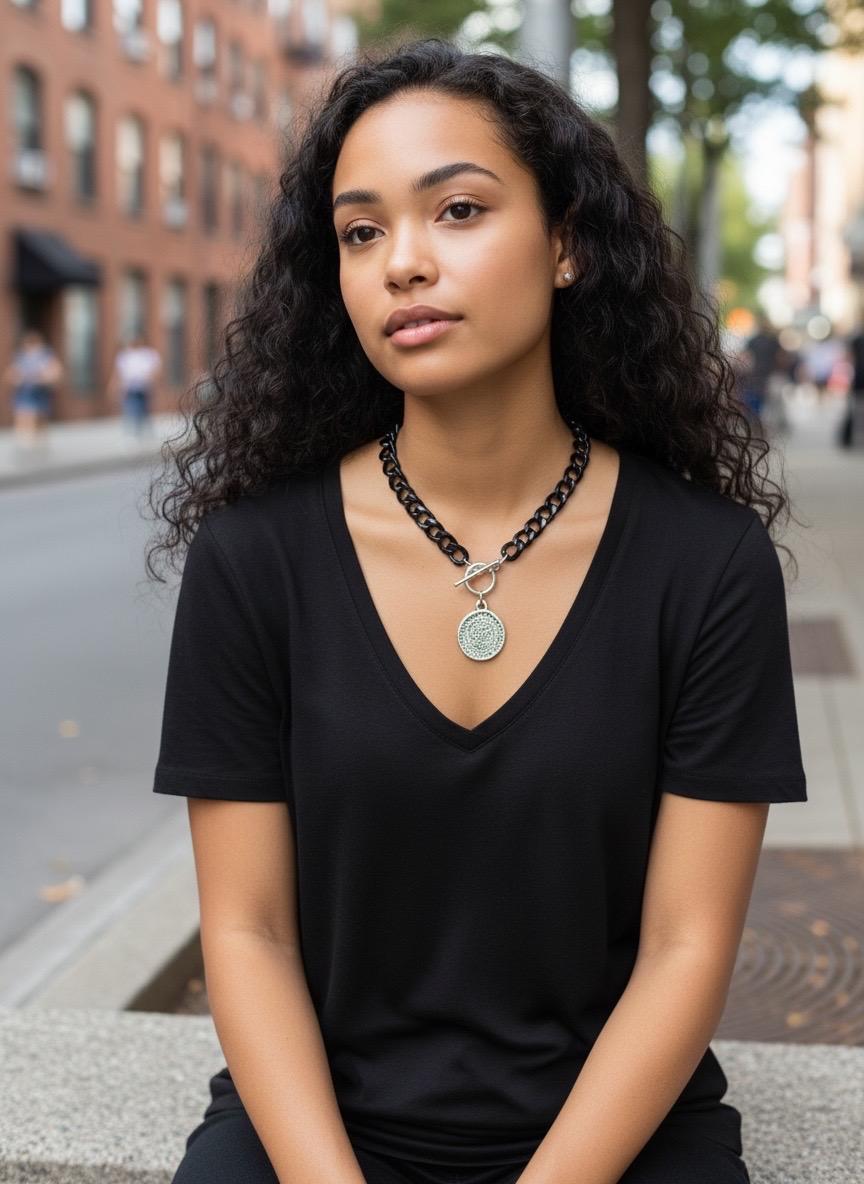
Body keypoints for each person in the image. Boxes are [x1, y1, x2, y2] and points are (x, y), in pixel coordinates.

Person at [146, 38, 808, 1184]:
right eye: (361, 231)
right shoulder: (254, 559)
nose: (403, 262)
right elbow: (246, 933)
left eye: (456, 209)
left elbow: (685, 946)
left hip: (618, 1141)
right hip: (315, 1136)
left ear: (564, 243)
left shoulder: (708, 563)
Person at [3, 327, 63, 449]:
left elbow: (55, 372)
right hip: (24, 393)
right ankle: (26, 444)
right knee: (24, 415)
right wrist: (17, 378)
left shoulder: (46, 356)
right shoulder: (21, 357)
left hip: (40, 393)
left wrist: (42, 378)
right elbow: (11, 374)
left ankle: (38, 443)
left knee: (39, 418)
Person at [110, 333, 161, 437]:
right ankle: (134, 431)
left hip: (144, 386)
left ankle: (144, 430)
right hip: (130, 387)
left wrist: (151, 381)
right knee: (132, 407)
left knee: (145, 408)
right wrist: (114, 386)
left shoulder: (148, 354)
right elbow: (119, 373)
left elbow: (156, 370)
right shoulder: (125, 355)